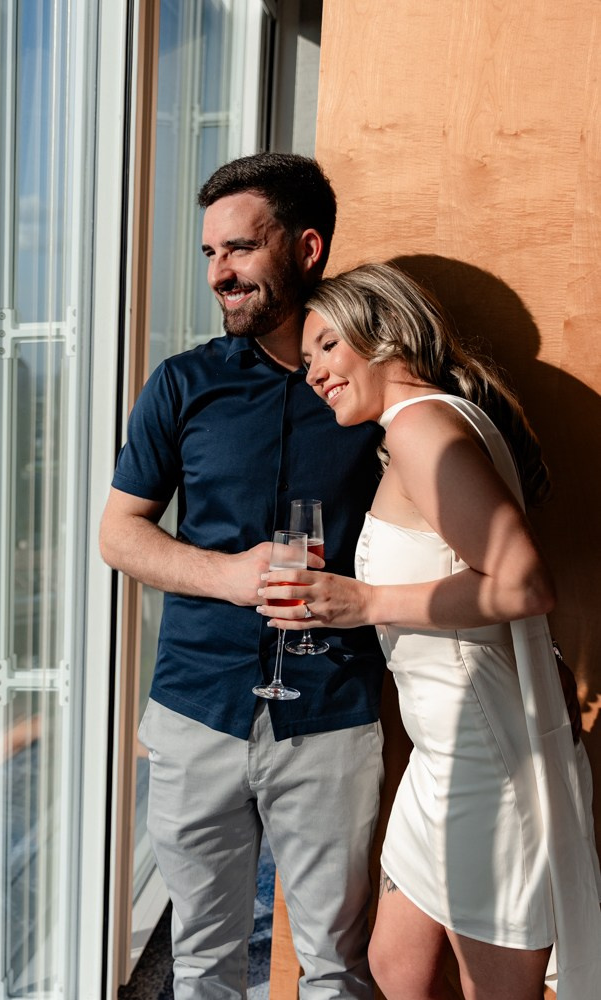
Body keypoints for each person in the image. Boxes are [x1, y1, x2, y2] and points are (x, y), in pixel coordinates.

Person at [256, 263, 601, 1000]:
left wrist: (362, 601)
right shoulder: (420, 427)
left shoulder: (423, 427)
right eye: (306, 355)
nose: (311, 370)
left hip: (482, 761)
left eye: (325, 346)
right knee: (396, 963)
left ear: (381, 335)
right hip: (443, 751)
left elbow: (521, 584)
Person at [99, 154, 386, 1000]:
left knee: (335, 966)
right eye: (209, 255)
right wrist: (230, 576)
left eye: (240, 250)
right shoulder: (182, 383)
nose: (220, 274)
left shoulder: (367, 387)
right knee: (201, 963)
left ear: (305, 247)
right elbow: (120, 535)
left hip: (333, 712)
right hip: (197, 710)